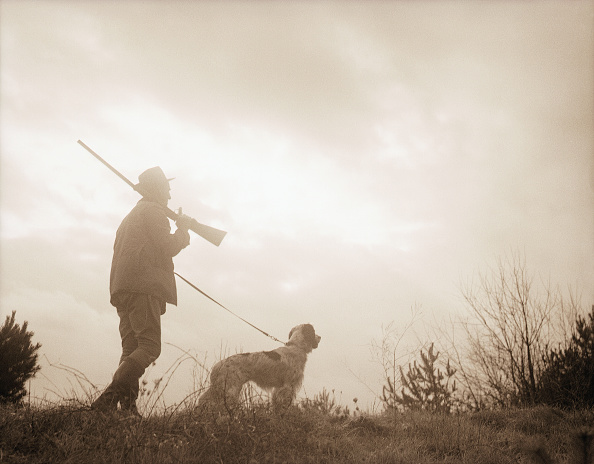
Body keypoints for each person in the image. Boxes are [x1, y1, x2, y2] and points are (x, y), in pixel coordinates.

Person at [92, 166, 192, 416]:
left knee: (131, 349)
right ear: (157, 190)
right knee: (149, 347)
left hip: (122, 288)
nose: (169, 196)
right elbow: (167, 246)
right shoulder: (155, 212)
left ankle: (127, 411)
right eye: (167, 191)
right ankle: (105, 401)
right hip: (143, 287)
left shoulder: (132, 215)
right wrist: (183, 231)